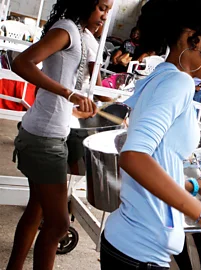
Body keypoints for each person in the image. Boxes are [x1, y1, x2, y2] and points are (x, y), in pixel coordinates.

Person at [100, 0, 201, 270]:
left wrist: (190, 186)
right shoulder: (178, 82)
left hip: (129, 245)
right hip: (139, 253)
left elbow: (154, 161)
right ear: (190, 38)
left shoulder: (162, 76)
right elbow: (134, 156)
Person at [6, 1, 111, 270]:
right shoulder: (66, 30)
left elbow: (60, 89)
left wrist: (74, 108)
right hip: (44, 139)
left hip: (44, 130)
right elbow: (22, 63)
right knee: (59, 224)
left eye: (108, 9)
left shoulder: (80, 34)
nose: (105, 15)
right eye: (101, 7)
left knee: (36, 210)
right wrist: (69, 94)